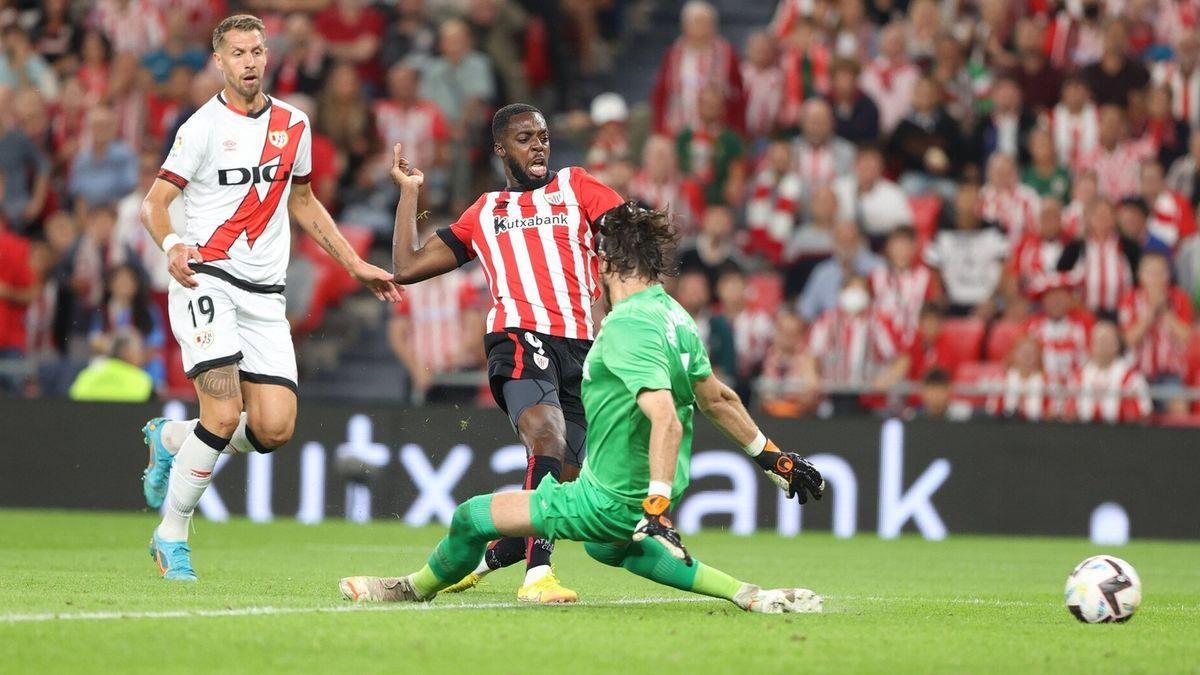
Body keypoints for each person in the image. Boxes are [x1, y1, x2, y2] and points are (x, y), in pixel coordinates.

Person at [339, 202, 826, 614]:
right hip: (632, 497)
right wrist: (773, 458)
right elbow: (717, 396)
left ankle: (407, 588)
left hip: (610, 500)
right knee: (608, 549)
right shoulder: (675, 316)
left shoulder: (625, 327)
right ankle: (746, 594)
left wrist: (655, 510)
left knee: (470, 516)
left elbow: (667, 419)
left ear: (606, 264)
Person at [137, 15, 401, 582]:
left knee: (274, 429)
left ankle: (172, 439)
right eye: (238, 53)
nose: (251, 61)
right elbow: (153, 205)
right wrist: (175, 245)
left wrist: (353, 263)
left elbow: (302, 202)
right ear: (220, 61)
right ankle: (171, 535)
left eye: (257, 50)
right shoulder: (201, 128)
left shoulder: (294, 124)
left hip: (265, 294)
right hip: (205, 279)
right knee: (224, 410)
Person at [389, 103, 625, 603]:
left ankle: (487, 558)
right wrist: (411, 195)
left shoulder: (577, 186)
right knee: (547, 437)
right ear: (501, 148)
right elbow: (406, 266)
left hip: (583, 351)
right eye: (524, 138)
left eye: (542, 136)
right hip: (519, 336)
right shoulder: (485, 211)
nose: (538, 145)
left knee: (563, 483)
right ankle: (538, 576)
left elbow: (628, 230)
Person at [1118, 252, 1193, 414]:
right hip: (1137, 374)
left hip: (1169, 375)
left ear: (1168, 274)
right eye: (1151, 272)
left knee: (1179, 406)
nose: (1156, 277)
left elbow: (1186, 337)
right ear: (1140, 275)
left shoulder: (1180, 298)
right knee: (1131, 409)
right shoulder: (1129, 299)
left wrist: (1165, 311)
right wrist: (1151, 312)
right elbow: (1129, 340)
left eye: (1161, 272)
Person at [1072, 320, 1152, 424]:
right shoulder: (1079, 377)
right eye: (1098, 340)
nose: (1101, 345)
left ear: (1117, 345)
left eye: (1106, 340)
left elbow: (1143, 415)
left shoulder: (1132, 379)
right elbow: (1069, 415)